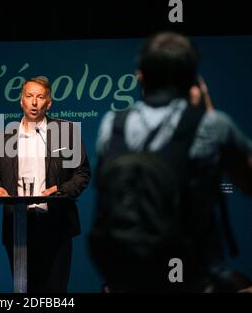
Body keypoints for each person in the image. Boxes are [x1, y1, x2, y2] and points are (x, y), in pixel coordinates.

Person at [91, 32, 252, 292]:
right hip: (194, 276)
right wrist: (206, 109)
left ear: (140, 75)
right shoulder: (212, 124)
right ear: (193, 80)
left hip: (126, 276)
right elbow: (247, 183)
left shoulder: (113, 123)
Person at [0, 76, 91, 293]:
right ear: (21, 101)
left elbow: (82, 173)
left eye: (40, 97)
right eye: (29, 96)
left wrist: (62, 191)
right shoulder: (4, 137)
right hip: (18, 225)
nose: (34, 102)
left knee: (55, 292)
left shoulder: (65, 132)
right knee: (25, 291)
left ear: (48, 103)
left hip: (55, 223)